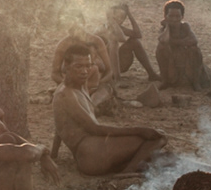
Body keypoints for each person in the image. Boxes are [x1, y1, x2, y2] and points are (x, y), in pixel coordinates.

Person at [49, 44, 165, 175]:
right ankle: (128, 173)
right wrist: (140, 130)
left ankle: (129, 168)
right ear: (66, 66)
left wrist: (53, 154)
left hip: (94, 150)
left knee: (160, 153)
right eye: (79, 66)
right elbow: (94, 128)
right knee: (157, 139)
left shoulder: (81, 84)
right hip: (91, 155)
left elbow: (60, 125)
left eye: (88, 65)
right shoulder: (66, 94)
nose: (85, 71)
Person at [155, 1, 210, 91]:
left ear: (182, 17)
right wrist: (167, 26)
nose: (174, 19)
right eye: (171, 16)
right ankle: (165, 81)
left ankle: (196, 82)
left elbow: (194, 41)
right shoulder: (164, 29)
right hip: (171, 58)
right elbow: (163, 41)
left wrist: (173, 42)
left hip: (185, 58)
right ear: (165, 17)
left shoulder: (185, 26)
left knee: (195, 50)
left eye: (177, 16)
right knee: (161, 48)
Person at [100, 4, 159, 83]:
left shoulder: (119, 28)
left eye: (122, 18)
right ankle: (116, 77)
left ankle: (151, 73)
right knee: (113, 43)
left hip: (119, 65)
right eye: (116, 17)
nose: (119, 20)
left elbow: (138, 35)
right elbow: (121, 38)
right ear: (110, 16)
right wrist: (112, 22)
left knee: (134, 42)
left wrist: (130, 16)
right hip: (104, 66)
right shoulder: (104, 28)